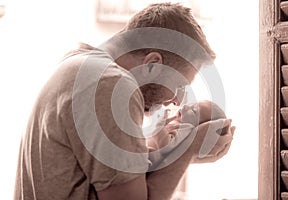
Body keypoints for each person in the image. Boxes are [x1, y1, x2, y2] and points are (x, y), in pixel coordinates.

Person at [14, 3, 235, 200]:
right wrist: (190, 146)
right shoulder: (109, 85)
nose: (176, 100)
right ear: (152, 65)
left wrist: (165, 151)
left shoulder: (81, 65)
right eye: (179, 85)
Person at [147, 100, 235, 170]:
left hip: (149, 160)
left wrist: (159, 125)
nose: (185, 106)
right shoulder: (178, 125)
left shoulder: (186, 129)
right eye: (191, 104)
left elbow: (166, 146)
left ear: (200, 128)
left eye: (194, 111)